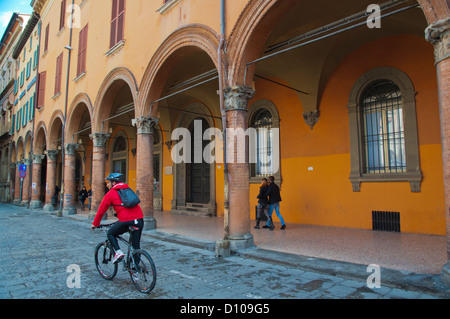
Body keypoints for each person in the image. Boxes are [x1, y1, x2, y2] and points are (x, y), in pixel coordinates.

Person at [91, 173, 144, 264]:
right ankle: (136, 269)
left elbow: (101, 211)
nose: (107, 184)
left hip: (126, 221)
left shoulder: (110, 193)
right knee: (136, 246)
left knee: (111, 233)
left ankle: (118, 252)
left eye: (108, 182)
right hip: (139, 219)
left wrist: (95, 224)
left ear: (114, 183)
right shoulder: (128, 189)